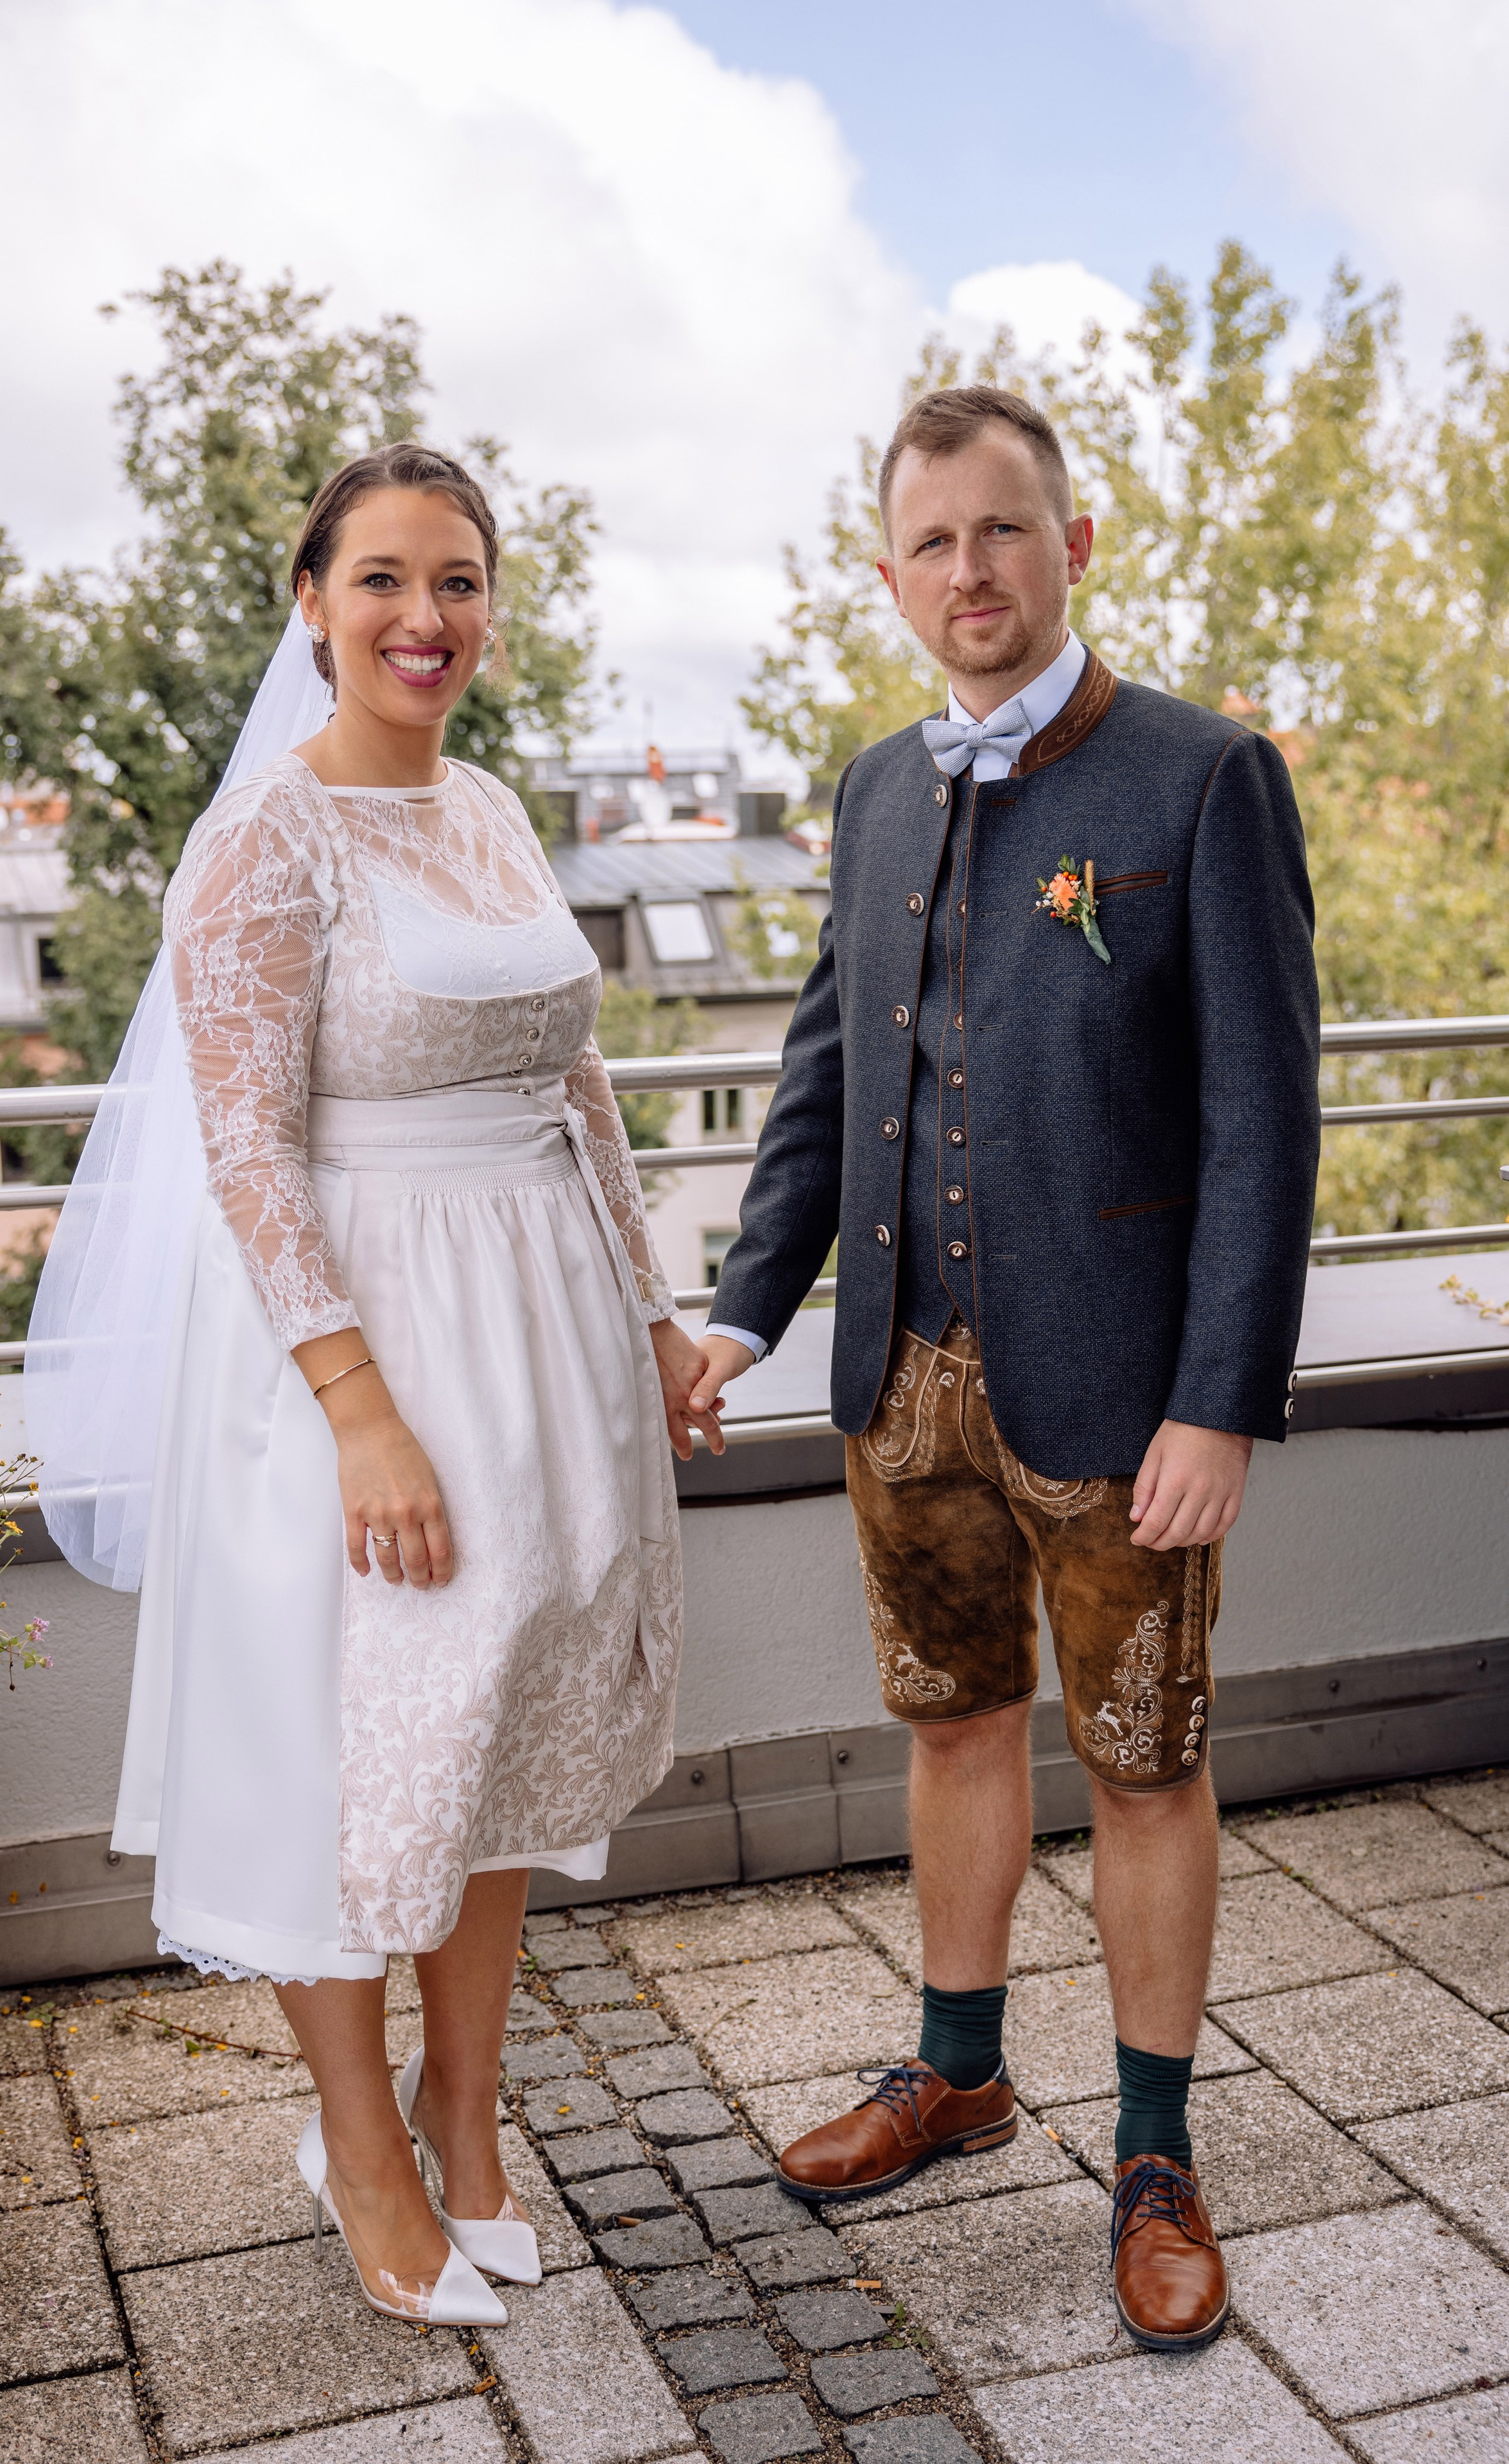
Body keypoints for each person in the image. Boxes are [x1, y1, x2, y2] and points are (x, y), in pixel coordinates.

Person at [31, 442, 722, 2326]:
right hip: (356, 1345)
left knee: (495, 1721)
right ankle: (357, 2143)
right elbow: (246, 1148)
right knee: (348, 1753)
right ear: (314, 606)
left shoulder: (489, 806)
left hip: (539, 1324)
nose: (427, 618)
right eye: (386, 581)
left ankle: (462, 2110)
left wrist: (653, 1314)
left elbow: (577, 1084)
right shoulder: (266, 836)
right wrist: (359, 1410)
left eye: (460, 581)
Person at [692, 385, 1319, 2351]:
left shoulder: (1205, 778)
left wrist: (1221, 1395)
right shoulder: (874, 790)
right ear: (890, 576)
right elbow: (824, 1077)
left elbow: (1265, 1120)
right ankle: (956, 2073)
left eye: (1003, 529)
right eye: (933, 541)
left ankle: (1154, 2157)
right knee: (955, 1725)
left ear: (1075, 544)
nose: (970, 569)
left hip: (1124, 1397)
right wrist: (742, 1310)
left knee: (1145, 1765)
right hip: (904, 1380)